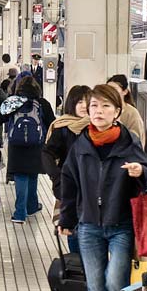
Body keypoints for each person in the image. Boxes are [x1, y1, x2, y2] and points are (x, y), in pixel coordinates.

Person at [58, 83, 147, 291]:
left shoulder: (129, 142)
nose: (98, 111)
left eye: (105, 106)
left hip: (121, 224)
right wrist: (66, 219)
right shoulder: (81, 145)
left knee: (114, 284)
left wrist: (139, 171)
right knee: (96, 288)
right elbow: (69, 182)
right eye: (94, 106)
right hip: (89, 224)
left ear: (117, 112)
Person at [0, 76, 54, 222]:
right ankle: (31, 206)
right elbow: (52, 124)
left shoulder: (13, 102)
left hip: (17, 146)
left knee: (20, 176)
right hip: (36, 145)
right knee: (32, 173)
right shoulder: (42, 104)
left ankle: (20, 213)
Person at [44, 85, 91, 218]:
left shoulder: (97, 126)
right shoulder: (62, 127)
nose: (83, 106)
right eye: (79, 102)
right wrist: (57, 176)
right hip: (69, 185)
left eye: (87, 101)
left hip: (92, 187)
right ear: (72, 103)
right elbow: (47, 153)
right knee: (72, 231)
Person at [106, 73, 147, 144]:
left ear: (125, 91)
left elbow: (136, 140)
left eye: (114, 89)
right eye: (107, 89)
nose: (110, 92)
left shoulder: (131, 113)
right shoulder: (104, 110)